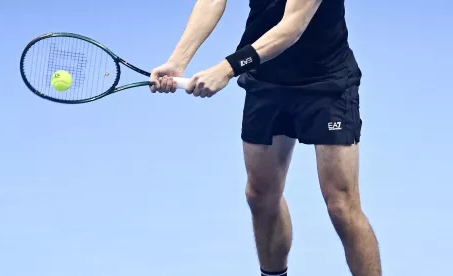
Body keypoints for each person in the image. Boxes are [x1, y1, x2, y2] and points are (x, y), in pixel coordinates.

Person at [149, 0, 382, 275]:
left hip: (325, 83)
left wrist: (226, 68)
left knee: (341, 205)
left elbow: (291, 28)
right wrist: (178, 60)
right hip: (266, 79)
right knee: (260, 196)